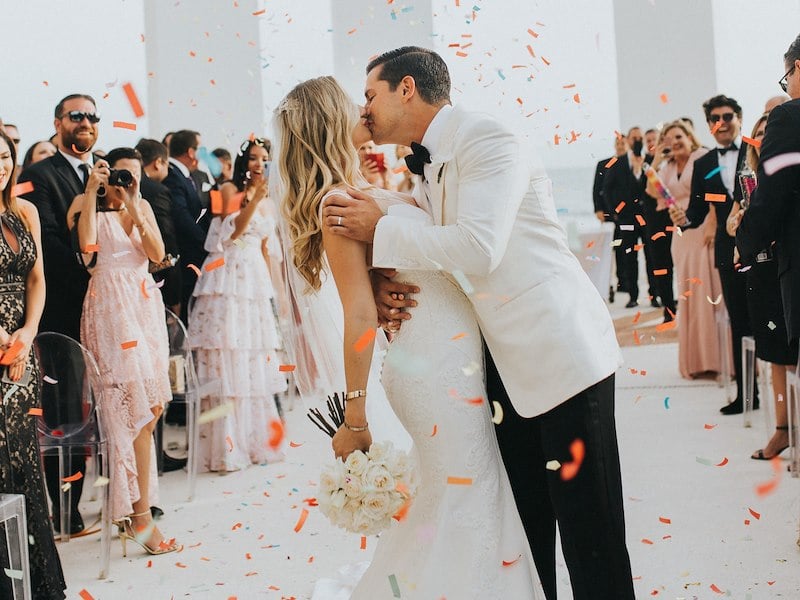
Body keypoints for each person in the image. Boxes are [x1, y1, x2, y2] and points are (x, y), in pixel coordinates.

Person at [323, 47, 632, 599]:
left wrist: (380, 228)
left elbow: (478, 247)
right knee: (526, 530)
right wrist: (375, 276)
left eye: (370, 95)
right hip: (495, 371)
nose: (364, 109)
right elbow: (420, 236)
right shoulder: (424, 163)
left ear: (407, 88)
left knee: (590, 533)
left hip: (558, 353)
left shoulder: (489, 139)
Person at [276, 75, 542, 599]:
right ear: (331, 120)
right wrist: (355, 418)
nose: (365, 108)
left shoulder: (357, 194)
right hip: (430, 368)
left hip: (448, 360)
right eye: (354, 103)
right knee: (468, 488)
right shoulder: (337, 206)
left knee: (461, 491)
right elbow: (357, 316)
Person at [68, 147, 181, 556]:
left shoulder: (142, 204)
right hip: (110, 308)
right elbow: (86, 247)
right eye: (121, 174)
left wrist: (133, 201)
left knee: (148, 411)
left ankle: (136, 512)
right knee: (124, 416)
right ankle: (139, 518)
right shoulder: (86, 205)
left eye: (133, 175)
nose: (127, 180)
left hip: (143, 305)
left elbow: (155, 253)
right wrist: (92, 188)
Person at [18, 93, 101, 534]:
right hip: (64, 312)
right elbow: (44, 246)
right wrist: (92, 266)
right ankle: (66, 508)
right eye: (76, 116)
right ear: (58, 123)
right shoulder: (37, 176)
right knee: (65, 411)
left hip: (111, 310)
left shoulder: (106, 171)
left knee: (106, 407)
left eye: (92, 116)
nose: (85, 122)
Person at [188, 138, 286, 472]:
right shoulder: (228, 189)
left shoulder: (270, 200)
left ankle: (256, 441)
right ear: (244, 161)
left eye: (265, 158)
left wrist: (274, 291)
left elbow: (264, 246)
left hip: (255, 281)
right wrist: (254, 197)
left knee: (253, 356)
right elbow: (231, 235)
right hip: (230, 276)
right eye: (254, 158)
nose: (259, 164)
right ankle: (227, 447)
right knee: (229, 353)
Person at [0, 129, 66, 599]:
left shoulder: (24, 211)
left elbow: (38, 279)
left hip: (22, 355)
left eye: (4, 156)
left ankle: (34, 583)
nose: (0, 163)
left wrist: (26, 333)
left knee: (24, 468)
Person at [669, 96, 756, 413]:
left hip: (762, 249)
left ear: (739, 117)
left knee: (767, 319)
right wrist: (684, 220)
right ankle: (747, 396)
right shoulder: (703, 164)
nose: (722, 123)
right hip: (726, 252)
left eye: (728, 116)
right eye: (715, 119)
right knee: (739, 322)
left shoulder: (756, 149)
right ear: (708, 125)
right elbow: (695, 211)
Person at [726, 113, 798, 459]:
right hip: (763, 273)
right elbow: (731, 226)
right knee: (775, 356)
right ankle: (783, 431)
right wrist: (739, 221)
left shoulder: (787, 175)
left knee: (794, 355)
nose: (766, 136)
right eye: (761, 132)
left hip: (789, 266)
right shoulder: (748, 182)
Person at [737, 32, 800, 373]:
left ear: (798, 68)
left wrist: (743, 242)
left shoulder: (790, 117)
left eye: (786, 77)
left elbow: (771, 193)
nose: (787, 87)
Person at [652, 120, 727, 379]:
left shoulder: (702, 157)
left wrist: (713, 224)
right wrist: (655, 161)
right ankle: (696, 361)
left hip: (705, 225)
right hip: (681, 235)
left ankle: (720, 360)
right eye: (669, 139)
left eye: (678, 136)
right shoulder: (668, 167)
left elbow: (717, 193)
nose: (675, 142)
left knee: (710, 289)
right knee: (689, 293)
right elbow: (653, 191)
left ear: (689, 136)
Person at [163, 130, 210, 323]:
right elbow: (181, 216)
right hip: (186, 256)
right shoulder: (174, 177)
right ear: (191, 152)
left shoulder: (190, 176)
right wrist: (206, 242)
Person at [602, 130, 648, 308]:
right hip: (626, 218)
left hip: (646, 218)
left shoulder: (648, 161)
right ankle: (633, 295)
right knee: (630, 256)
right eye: (634, 137)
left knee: (651, 256)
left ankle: (655, 294)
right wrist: (616, 213)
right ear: (628, 140)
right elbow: (607, 189)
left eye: (640, 138)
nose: (637, 140)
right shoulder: (618, 163)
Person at [135, 138, 181, 313]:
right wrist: (174, 294)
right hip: (154, 277)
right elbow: (166, 237)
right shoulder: (157, 191)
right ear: (158, 163)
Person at [592, 135, 628, 303]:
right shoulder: (603, 163)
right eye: (618, 143)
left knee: (623, 248)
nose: (620, 146)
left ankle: (624, 282)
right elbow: (597, 189)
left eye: (623, 143)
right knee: (608, 249)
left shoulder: (631, 163)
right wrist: (598, 209)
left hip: (625, 216)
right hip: (607, 215)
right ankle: (607, 284)